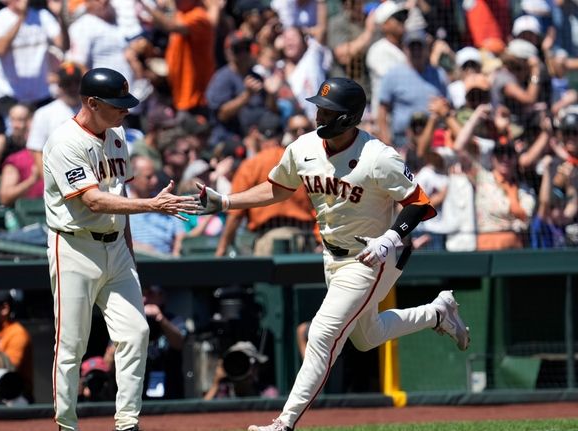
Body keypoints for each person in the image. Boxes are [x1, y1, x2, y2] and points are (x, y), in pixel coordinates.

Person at [194, 77, 471, 431]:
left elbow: (419, 203)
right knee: (366, 336)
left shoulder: (378, 156)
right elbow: (278, 188)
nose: (317, 115)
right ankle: (436, 313)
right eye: (318, 108)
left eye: (326, 111)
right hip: (333, 257)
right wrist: (228, 201)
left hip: (375, 255)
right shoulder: (303, 147)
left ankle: (284, 423)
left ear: (346, 118)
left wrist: (389, 237)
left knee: (322, 334)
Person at [43, 67, 199, 431]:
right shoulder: (65, 141)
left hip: (115, 248)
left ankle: (127, 423)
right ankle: (66, 425)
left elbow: (119, 192)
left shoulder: (117, 135)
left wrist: (128, 252)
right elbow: (94, 201)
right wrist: (153, 205)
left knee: (136, 332)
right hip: (74, 247)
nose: (125, 111)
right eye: (117, 105)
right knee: (71, 345)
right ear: (91, 102)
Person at [215, 111, 316, 257]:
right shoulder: (300, 160)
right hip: (305, 237)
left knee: (269, 280)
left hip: (269, 239)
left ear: (258, 136)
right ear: (282, 135)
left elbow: (235, 214)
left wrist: (221, 249)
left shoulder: (251, 165)